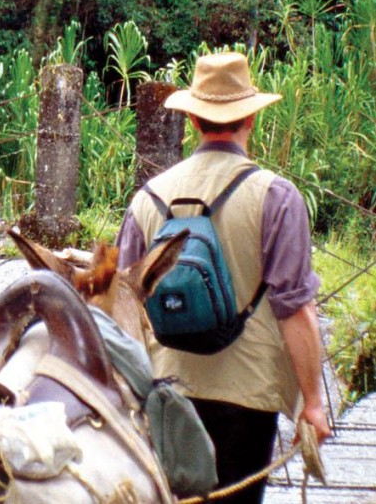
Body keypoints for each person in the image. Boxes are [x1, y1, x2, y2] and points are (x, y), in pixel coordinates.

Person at [116, 52, 331, 503]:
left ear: (192, 118)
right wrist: (311, 403)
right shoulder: (276, 197)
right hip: (248, 395)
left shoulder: (147, 199)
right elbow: (294, 310)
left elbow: (122, 310)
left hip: (166, 390)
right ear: (250, 116)